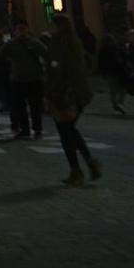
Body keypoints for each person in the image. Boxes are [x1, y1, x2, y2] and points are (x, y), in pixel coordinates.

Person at [45, 14, 101, 186]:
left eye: (52, 25)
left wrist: (52, 91)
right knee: (68, 130)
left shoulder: (60, 43)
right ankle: (85, 165)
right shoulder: (74, 41)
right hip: (77, 93)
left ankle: (80, 168)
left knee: (66, 132)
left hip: (65, 95)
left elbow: (58, 69)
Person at [0, 21, 47, 139]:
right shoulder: (11, 44)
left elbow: (47, 54)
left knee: (35, 106)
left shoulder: (35, 43)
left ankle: (37, 129)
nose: (21, 31)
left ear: (27, 29)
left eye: (23, 29)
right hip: (18, 79)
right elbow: (1, 55)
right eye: (19, 29)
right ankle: (25, 129)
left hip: (34, 79)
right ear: (15, 31)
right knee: (20, 107)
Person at [97, 34, 129, 115]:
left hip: (111, 73)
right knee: (122, 89)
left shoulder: (104, 51)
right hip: (117, 71)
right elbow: (124, 59)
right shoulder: (115, 49)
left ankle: (116, 106)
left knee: (114, 90)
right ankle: (119, 104)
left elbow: (100, 63)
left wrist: (103, 73)